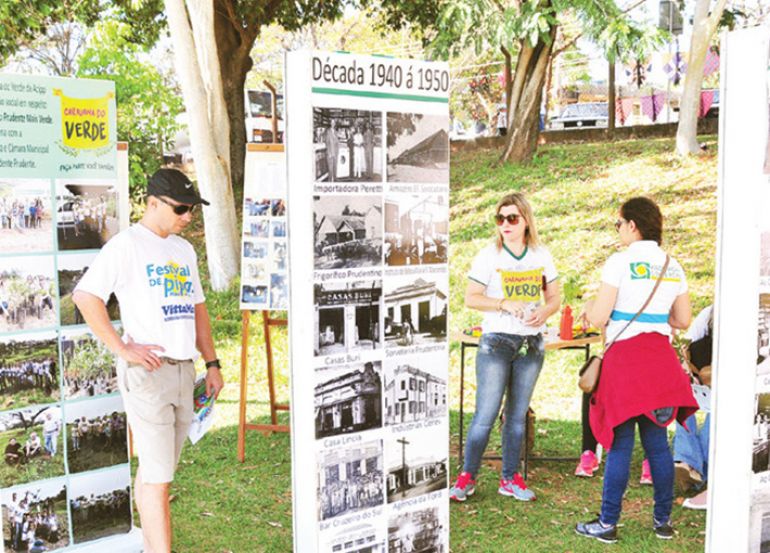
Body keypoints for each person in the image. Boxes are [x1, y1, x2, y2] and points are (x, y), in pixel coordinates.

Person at [72, 168, 224, 553]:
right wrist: (123, 349)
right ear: (152, 203)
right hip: (148, 375)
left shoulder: (184, 250)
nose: (188, 216)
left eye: (192, 209)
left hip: (183, 370)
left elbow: (198, 310)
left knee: (158, 472)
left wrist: (212, 363)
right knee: (159, 480)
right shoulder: (126, 246)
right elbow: (85, 296)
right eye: (181, 209)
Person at [575, 197, 698, 543]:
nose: (618, 231)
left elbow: (600, 317)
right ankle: (662, 523)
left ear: (633, 225)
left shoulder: (619, 262)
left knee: (620, 445)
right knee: (658, 445)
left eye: (619, 224)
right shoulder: (673, 266)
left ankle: (607, 523)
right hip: (660, 364)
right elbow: (684, 320)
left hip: (625, 365)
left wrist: (589, 309)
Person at [449, 192, 560, 502]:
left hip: (530, 344)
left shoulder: (541, 254)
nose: (506, 224)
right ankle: (467, 476)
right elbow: (471, 297)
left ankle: (510, 478)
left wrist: (545, 312)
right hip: (496, 342)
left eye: (513, 218)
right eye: (501, 218)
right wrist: (503, 303)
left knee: (516, 416)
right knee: (485, 414)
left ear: (526, 221)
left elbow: (554, 297)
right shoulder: (489, 255)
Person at [674, 304, 714, 510]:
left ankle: (697, 469)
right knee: (682, 402)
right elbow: (686, 345)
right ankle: (688, 463)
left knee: (714, 419)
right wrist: (691, 371)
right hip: (700, 375)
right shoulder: (709, 313)